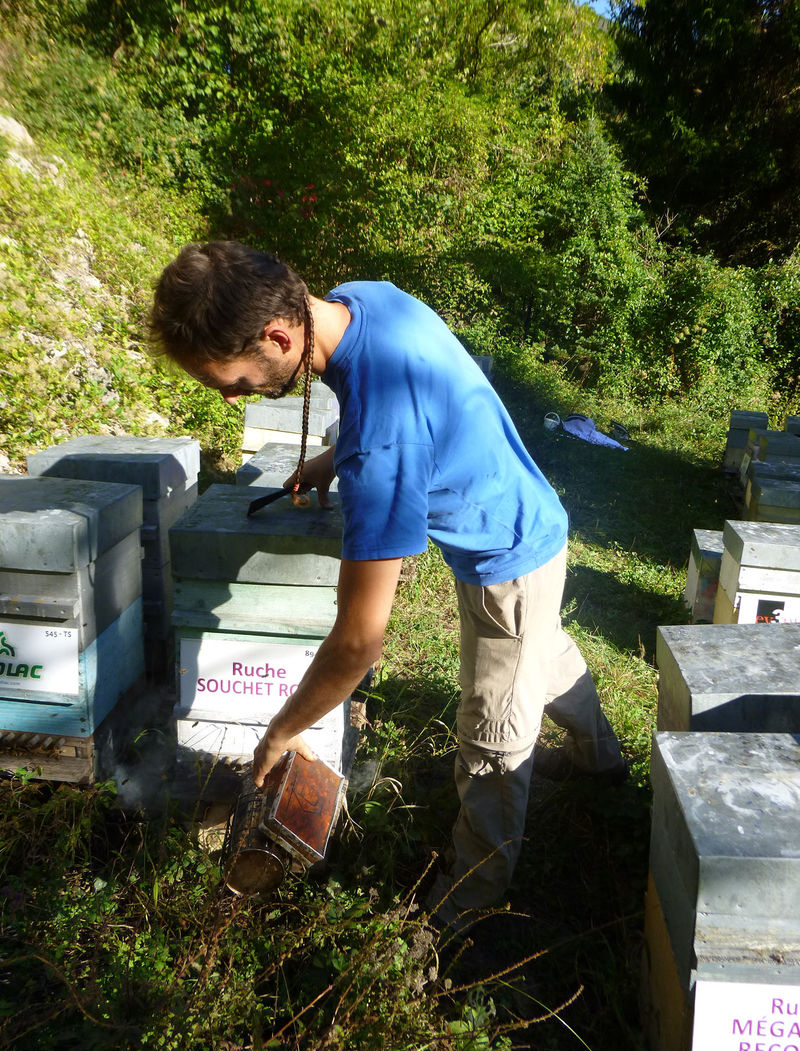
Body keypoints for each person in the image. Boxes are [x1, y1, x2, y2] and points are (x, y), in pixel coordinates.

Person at [150, 241, 627, 928]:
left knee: (492, 741)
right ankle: (601, 759)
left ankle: (467, 910)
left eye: (231, 381)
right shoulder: (363, 299)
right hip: (519, 517)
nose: (230, 397)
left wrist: (281, 731)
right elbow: (391, 393)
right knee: (539, 645)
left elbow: (357, 643)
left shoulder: (381, 451)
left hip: (506, 553)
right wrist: (326, 457)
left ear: (278, 336)